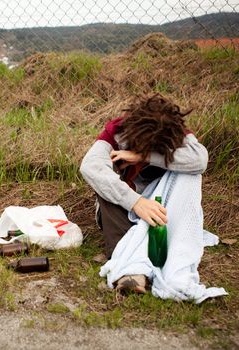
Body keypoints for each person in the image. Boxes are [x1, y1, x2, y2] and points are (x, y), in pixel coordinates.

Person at [80, 93, 208, 293]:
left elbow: (199, 161)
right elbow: (90, 166)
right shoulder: (116, 131)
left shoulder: (175, 132)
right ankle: (132, 270)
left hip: (162, 212)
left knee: (191, 174)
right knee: (104, 183)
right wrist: (135, 202)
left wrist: (145, 156)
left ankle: (175, 253)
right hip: (123, 212)